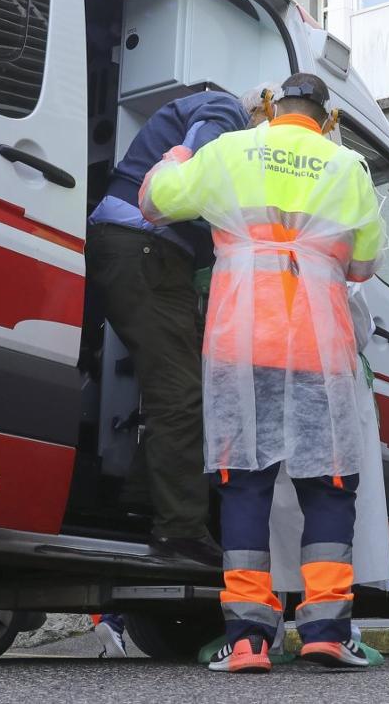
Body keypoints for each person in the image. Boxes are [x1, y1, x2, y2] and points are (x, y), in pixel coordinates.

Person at [140, 73, 387, 673]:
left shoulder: (231, 151)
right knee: (328, 484)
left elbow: (155, 204)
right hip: (317, 343)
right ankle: (327, 630)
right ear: (327, 119)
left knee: (244, 482)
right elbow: (364, 265)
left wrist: (177, 156)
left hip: (241, 339)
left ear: (273, 109)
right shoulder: (348, 166)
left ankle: (249, 637)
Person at [86, 87, 269, 567]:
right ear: (260, 114)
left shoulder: (208, 109)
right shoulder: (226, 113)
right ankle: (180, 530)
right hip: (145, 246)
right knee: (182, 393)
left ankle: (141, 498)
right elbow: (194, 174)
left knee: (178, 383)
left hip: (142, 250)